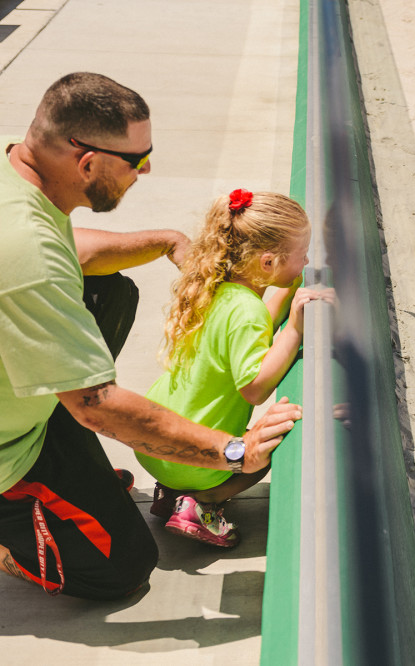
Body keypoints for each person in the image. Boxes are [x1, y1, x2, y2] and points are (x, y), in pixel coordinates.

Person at [0, 72, 301, 599]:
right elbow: (95, 404)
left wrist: (167, 242)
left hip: (28, 401)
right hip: (8, 448)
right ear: (87, 162)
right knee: (122, 568)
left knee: (110, 292)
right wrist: (232, 452)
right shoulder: (27, 256)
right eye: (137, 160)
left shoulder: (19, 182)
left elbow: (70, 250)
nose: (147, 169)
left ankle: (63, 460)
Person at [137, 188, 328, 547]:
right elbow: (254, 387)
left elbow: (253, 332)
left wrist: (289, 292)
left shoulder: (218, 289)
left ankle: (171, 492)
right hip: (195, 458)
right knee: (271, 445)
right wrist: (296, 330)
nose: (305, 263)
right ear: (267, 263)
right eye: (302, 256)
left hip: (155, 443)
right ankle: (201, 503)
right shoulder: (247, 311)